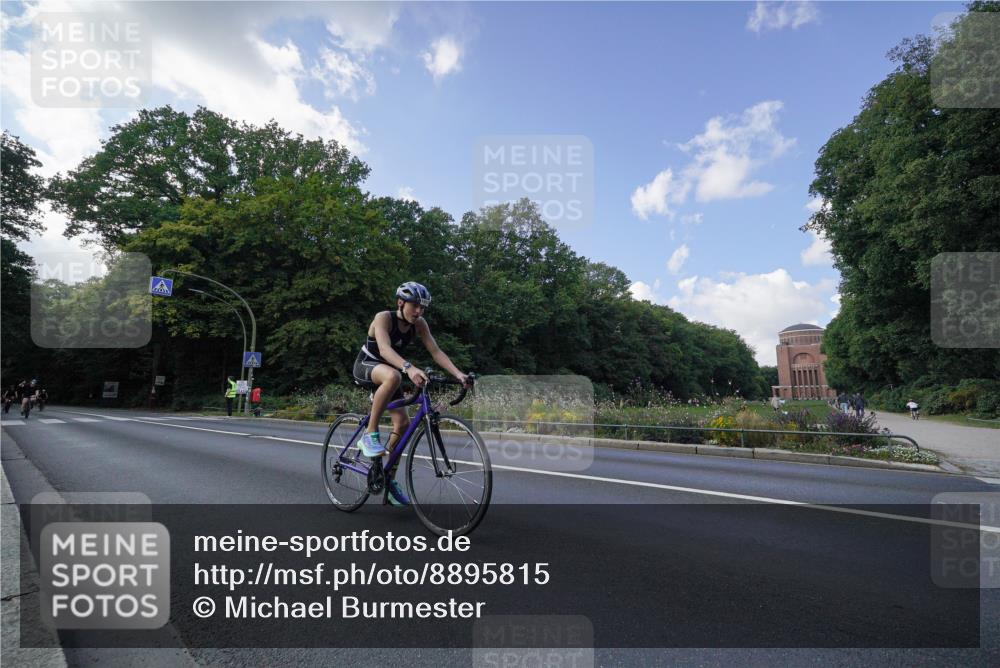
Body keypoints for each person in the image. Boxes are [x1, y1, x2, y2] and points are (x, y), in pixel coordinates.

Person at [353, 281, 470, 506]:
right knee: (394, 376)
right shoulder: (383, 318)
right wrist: (409, 368)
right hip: (367, 366)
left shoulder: (420, 324)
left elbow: (435, 351)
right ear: (400, 302)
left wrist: (459, 374)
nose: (418, 311)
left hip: (390, 372)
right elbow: (385, 349)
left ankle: (387, 479)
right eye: (414, 305)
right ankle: (370, 434)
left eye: (422, 307)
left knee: (404, 424)